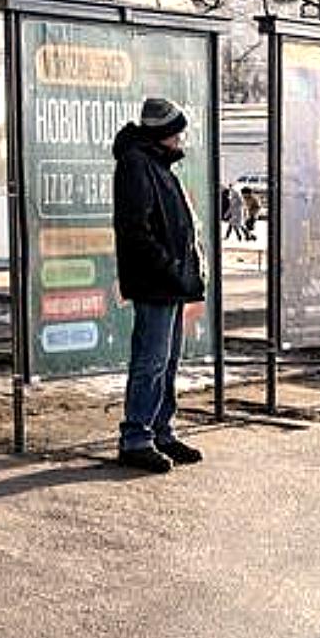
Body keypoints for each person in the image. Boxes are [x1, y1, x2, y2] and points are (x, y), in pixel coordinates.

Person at [112, 97, 205, 473]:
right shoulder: (137, 164)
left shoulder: (158, 164)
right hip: (157, 282)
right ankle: (136, 437)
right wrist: (169, 268)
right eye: (178, 131)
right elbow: (135, 230)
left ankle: (161, 430)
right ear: (164, 133)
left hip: (171, 281)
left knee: (167, 362)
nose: (182, 138)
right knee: (150, 362)